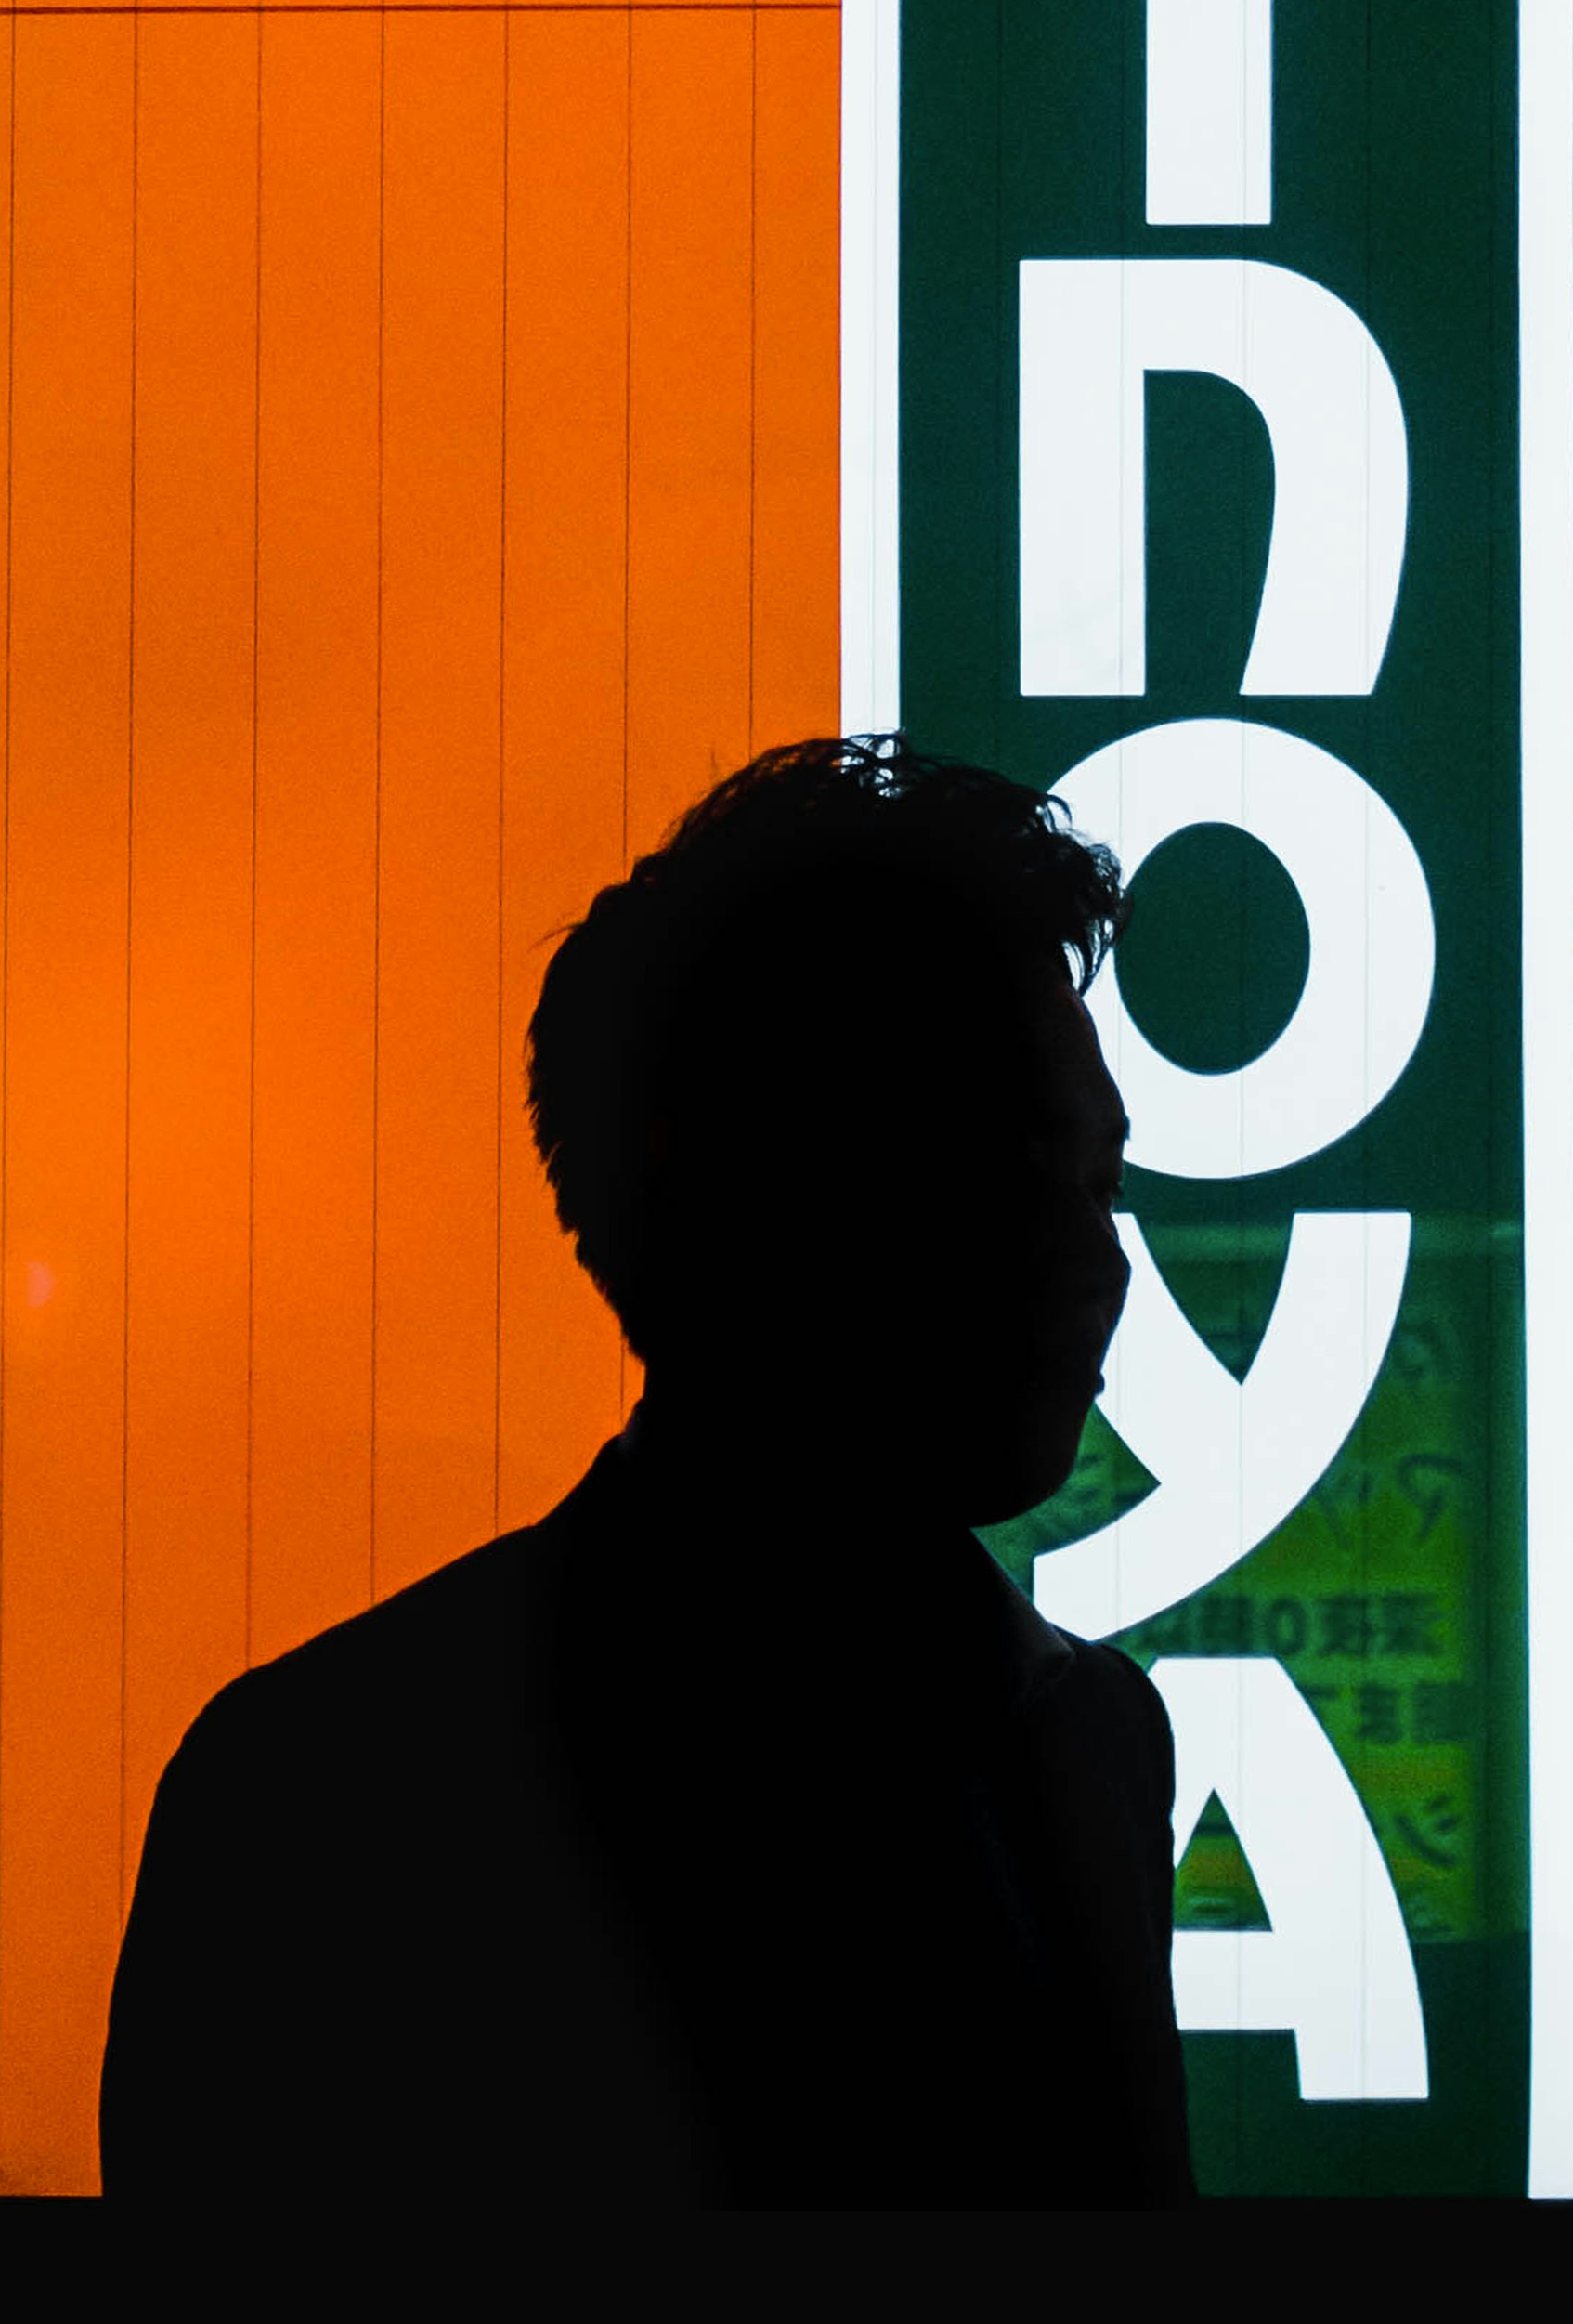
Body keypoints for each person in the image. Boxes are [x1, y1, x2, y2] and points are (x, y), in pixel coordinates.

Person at [99, 734, 1194, 2209]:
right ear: (770, 1197)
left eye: (1099, 1178)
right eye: (1005, 1170)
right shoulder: (324, 1793)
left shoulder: (312, 1770)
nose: (1099, 1259)